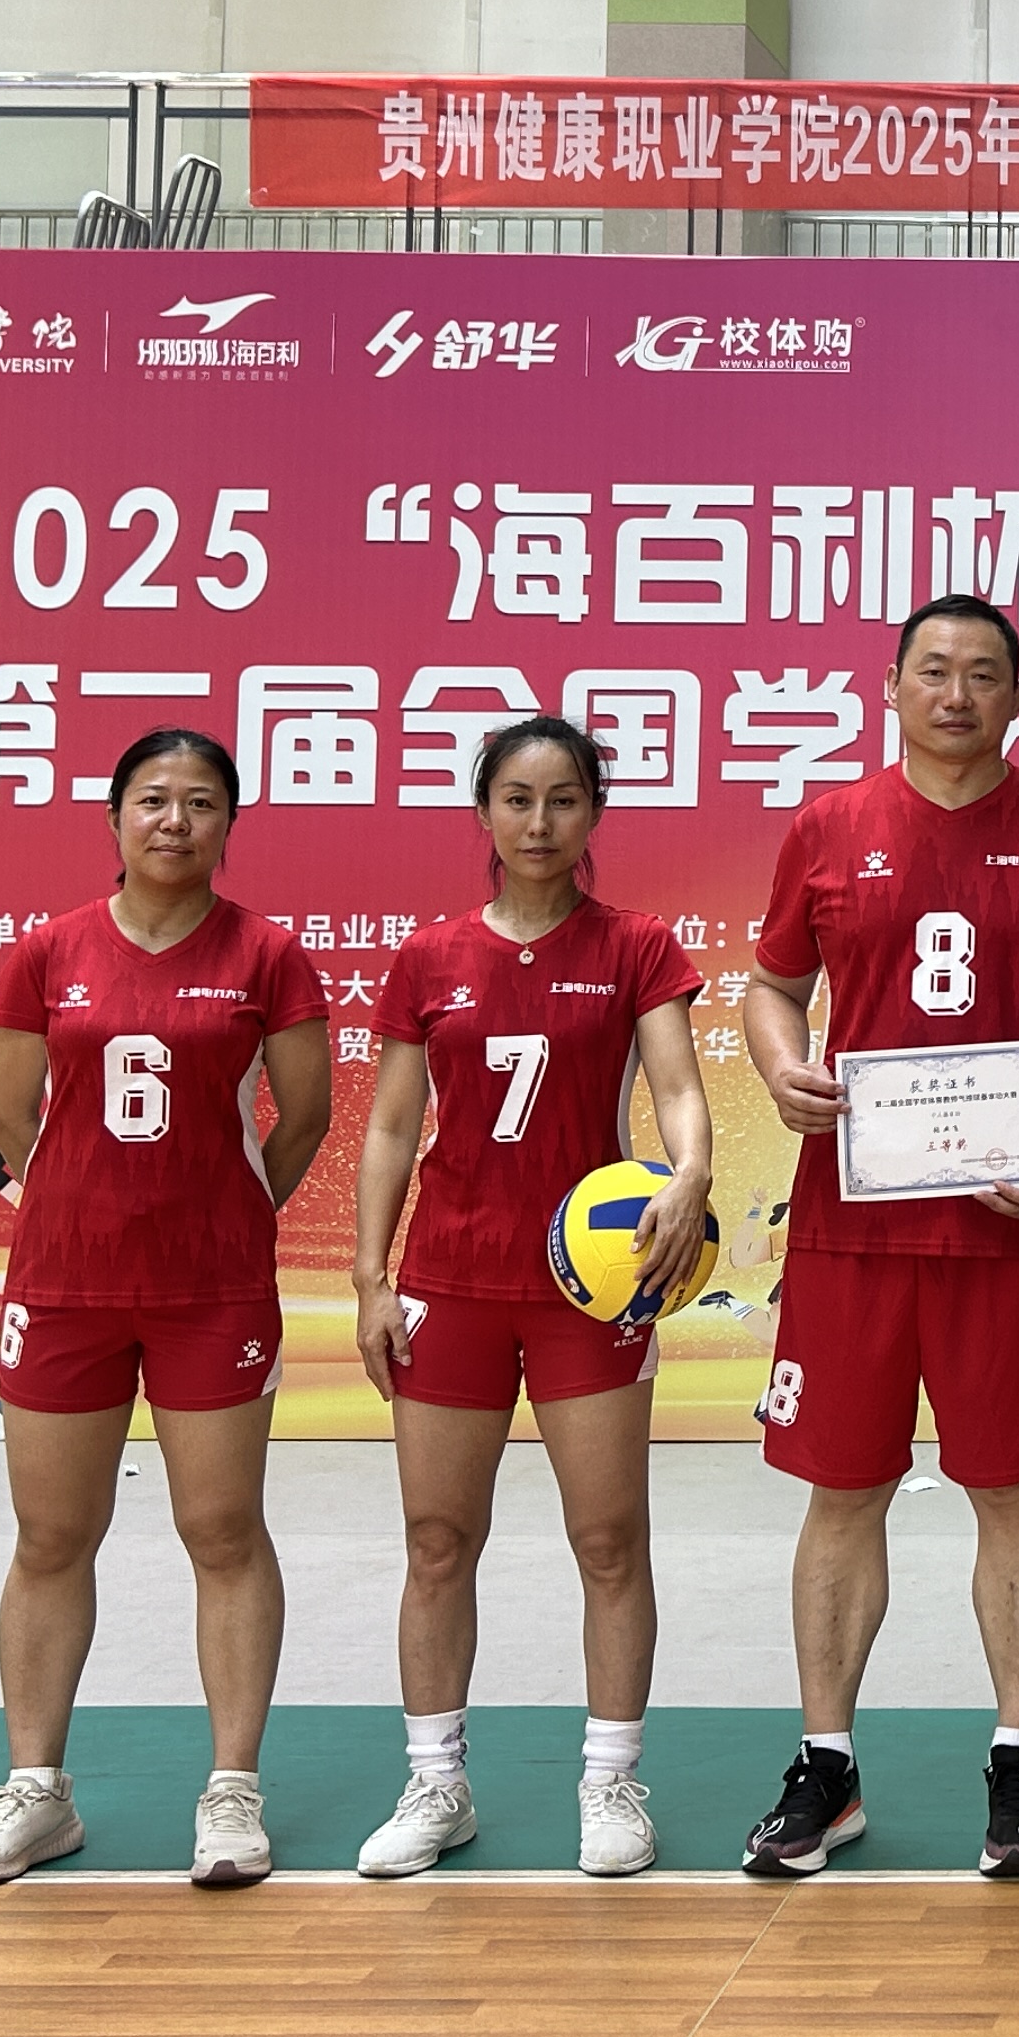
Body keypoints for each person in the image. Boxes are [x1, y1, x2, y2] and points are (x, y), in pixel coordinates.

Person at [736, 594, 1019, 1881]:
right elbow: (772, 988)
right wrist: (782, 1066)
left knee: (1010, 1490)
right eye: (932, 671)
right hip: (851, 1225)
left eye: (982, 674)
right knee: (843, 1489)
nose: (956, 694)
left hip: (1006, 1228)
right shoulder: (828, 826)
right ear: (892, 687)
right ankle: (825, 1765)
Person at [0, 728, 331, 1894]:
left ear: (229, 825)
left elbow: (302, 1117)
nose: (175, 821)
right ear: (113, 818)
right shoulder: (49, 952)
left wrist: (226, 1212)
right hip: (64, 1287)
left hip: (214, 1290)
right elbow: (11, 1117)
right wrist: (87, 1208)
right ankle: (36, 1793)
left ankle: (232, 1791)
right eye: (153, 800)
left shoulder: (267, 954)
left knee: (222, 1529)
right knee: (52, 1536)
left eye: (201, 803)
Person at [347, 715, 713, 1880]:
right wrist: (369, 1276)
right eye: (517, 798)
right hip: (450, 1280)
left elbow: (677, 1088)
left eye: (563, 799)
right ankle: (435, 1785)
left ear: (593, 812)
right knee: (436, 1539)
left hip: (588, 1290)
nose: (540, 822)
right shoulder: (431, 957)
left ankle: (611, 1783)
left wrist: (691, 1172)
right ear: (485, 812)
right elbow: (391, 1128)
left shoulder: (637, 945)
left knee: (607, 1538)